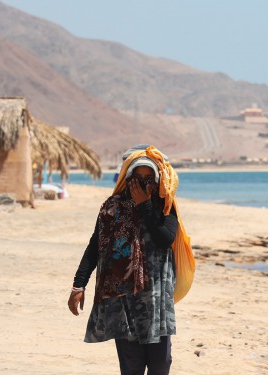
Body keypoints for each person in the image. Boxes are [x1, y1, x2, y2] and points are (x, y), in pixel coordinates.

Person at [68, 145, 190, 375]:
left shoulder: (165, 208)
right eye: (137, 177)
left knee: (161, 365)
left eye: (148, 178)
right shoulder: (111, 209)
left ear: (156, 180)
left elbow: (164, 239)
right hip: (124, 300)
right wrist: (78, 284)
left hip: (156, 302)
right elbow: (95, 247)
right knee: (131, 367)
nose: (143, 183)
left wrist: (144, 205)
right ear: (127, 178)